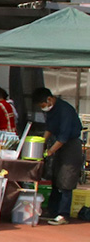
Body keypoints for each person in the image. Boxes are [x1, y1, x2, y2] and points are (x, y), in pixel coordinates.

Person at [33, 87, 83, 226]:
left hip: (71, 146)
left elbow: (64, 137)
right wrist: (42, 142)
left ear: (49, 99)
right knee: (56, 178)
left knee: (67, 179)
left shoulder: (65, 110)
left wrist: (50, 151)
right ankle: (53, 210)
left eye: (43, 105)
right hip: (59, 146)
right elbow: (50, 128)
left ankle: (63, 214)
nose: (43, 108)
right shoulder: (53, 110)